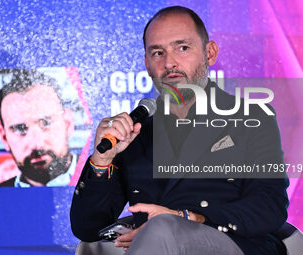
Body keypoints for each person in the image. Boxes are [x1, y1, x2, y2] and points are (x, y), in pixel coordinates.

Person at [70, 6, 288, 255]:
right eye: (157, 53)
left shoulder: (252, 118)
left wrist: (187, 217)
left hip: (234, 245)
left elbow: (269, 207)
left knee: (162, 228)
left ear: (210, 52)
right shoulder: (136, 131)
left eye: (182, 48)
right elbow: (87, 228)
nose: (169, 63)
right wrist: (102, 160)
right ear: (146, 63)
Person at [0, 69, 77, 187]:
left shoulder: (105, 181)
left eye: (46, 123)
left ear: (68, 124)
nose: (37, 144)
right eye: (20, 129)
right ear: (4, 138)